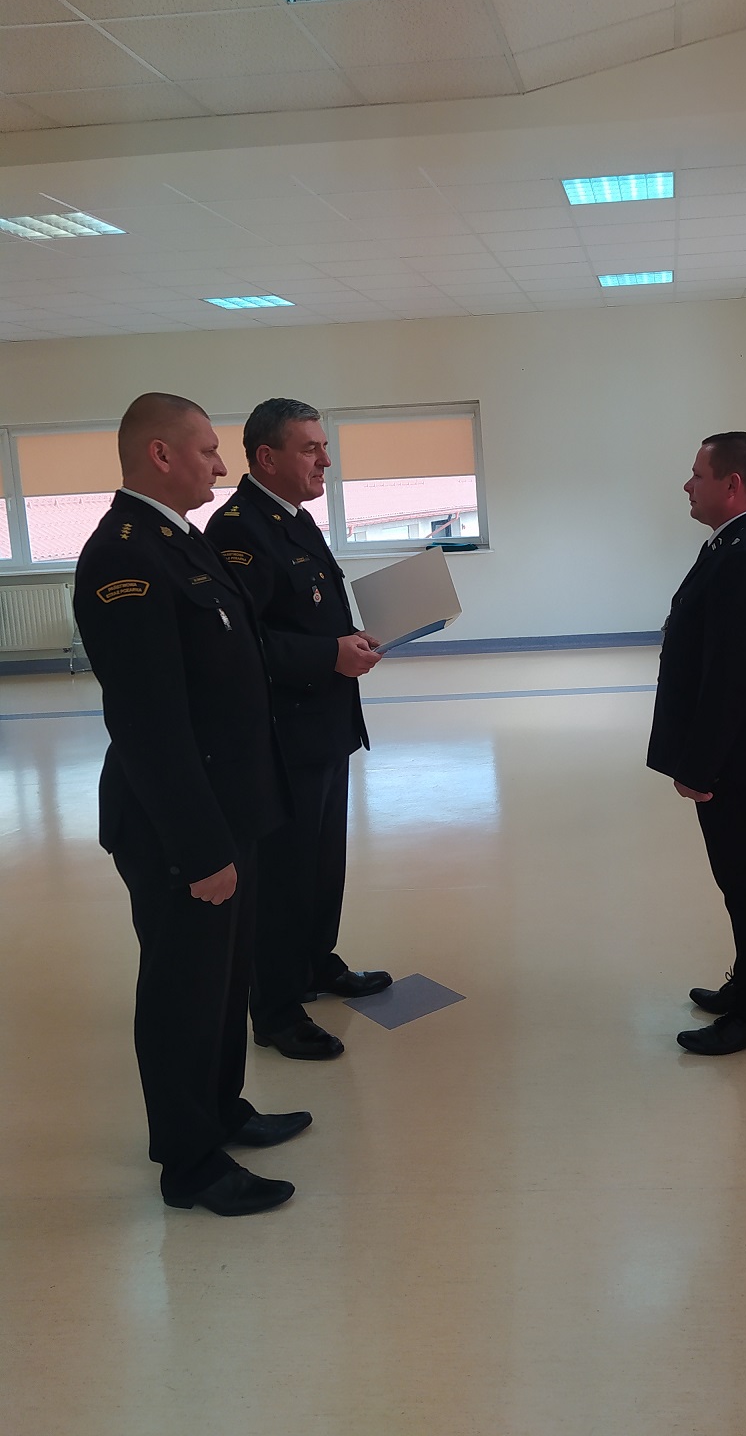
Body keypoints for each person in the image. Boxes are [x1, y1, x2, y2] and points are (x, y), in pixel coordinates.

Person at [73, 392, 309, 1217]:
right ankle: (190, 1161)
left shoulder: (179, 540)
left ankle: (221, 1109)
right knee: (184, 989)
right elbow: (150, 726)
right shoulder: (125, 560)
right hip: (182, 825)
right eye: (208, 449)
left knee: (224, 978)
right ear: (161, 455)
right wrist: (202, 847)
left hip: (227, 809)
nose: (221, 463)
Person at [205, 398, 391, 1061]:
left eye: (324, 446)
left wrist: (347, 640)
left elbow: (307, 616)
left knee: (320, 863)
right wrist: (328, 655)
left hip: (324, 726)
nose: (325, 461)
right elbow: (241, 644)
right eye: (311, 448)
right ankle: (278, 1010)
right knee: (284, 876)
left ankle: (315, 963)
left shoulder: (292, 518)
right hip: (283, 737)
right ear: (267, 457)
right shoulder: (239, 531)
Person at [647, 431, 746, 1055]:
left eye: (698, 475)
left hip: (736, 759)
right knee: (740, 880)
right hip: (735, 754)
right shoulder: (734, 544)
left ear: (731, 485)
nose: (688, 486)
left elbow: (731, 680)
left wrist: (699, 765)